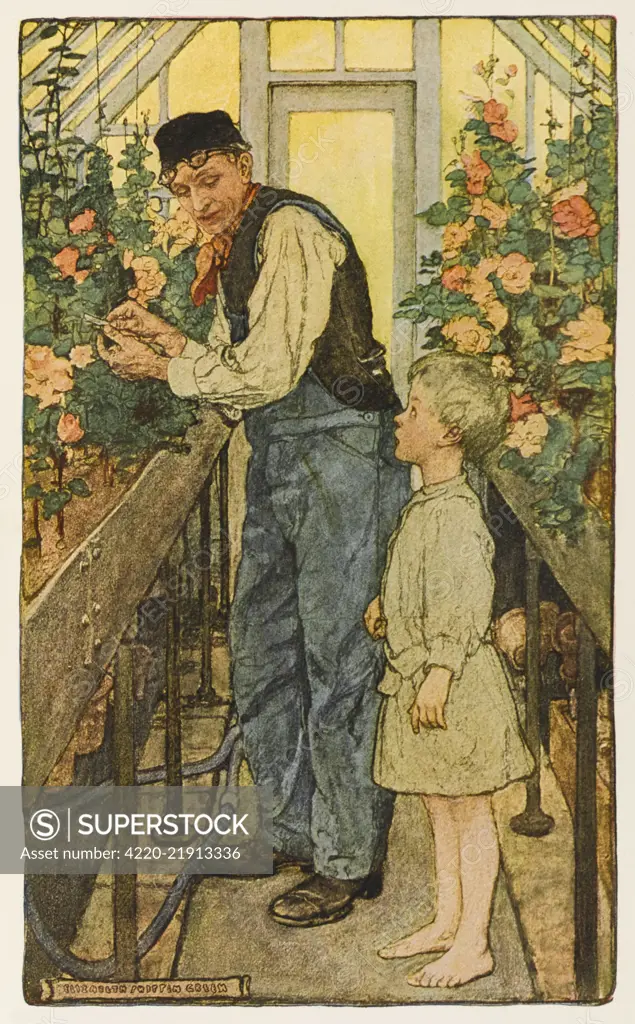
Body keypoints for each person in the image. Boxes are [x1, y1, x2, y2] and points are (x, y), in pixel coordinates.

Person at [98, 110, 411, 927]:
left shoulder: (293, 229)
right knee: (263, 643)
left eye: (208, 182)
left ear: (242, 165)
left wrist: (165, 369)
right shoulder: (234, 244)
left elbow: (267, 369)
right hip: (282, 455)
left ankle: (348, 859)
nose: (197, 202)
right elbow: (234, 360)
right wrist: (164, 337)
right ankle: (288, 829)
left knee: (339, 655)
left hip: (344, 454)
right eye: (181, 189)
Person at [364, 352, 533, 986]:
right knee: (438, 804)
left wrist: (438, 670)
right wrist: (388, 602)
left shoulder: (458, 513)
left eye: (414, 411)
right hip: (424, 678)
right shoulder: (428, 504)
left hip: (454, 687)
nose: (400, 422)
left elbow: (464, 600)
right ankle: (446, 918)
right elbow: (421, 576)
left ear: (450, 431)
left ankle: (474, 943)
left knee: (469, 812)